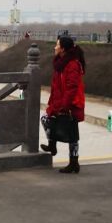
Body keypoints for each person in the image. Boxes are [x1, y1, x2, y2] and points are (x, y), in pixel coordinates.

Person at [41, 36, 86, 174]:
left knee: (72, 135)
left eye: (57, 45)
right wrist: (53, 103)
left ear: (63, 49)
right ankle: (52, 145)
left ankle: (74, 163)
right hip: (59, 102)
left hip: (71, 104)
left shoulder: (72, 64)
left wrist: (65, 106)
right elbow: (56, 86)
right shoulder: (60, 63)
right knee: (46, 119)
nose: (55, 47)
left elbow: (72, 88)